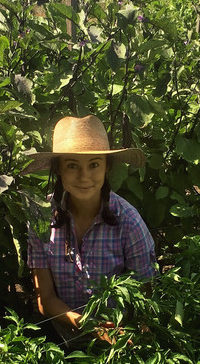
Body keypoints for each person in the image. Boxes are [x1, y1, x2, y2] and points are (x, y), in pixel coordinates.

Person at [24, 115, 156, 346]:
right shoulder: (41, 218)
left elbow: (143, 295)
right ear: (59, 170)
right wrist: (88, 325)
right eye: (72, 165)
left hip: (119, 339)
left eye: (94, 165)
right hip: (63, 340)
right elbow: (45, 299)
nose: (84, 177)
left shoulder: (128, 221)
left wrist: (126, 335)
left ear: (106, 168)